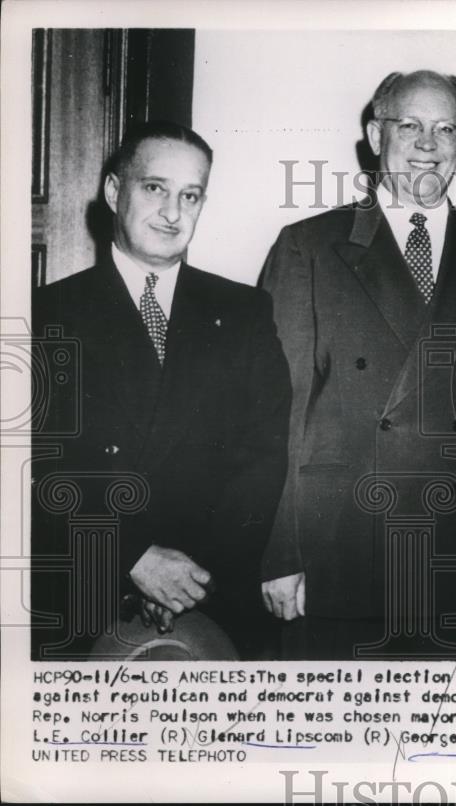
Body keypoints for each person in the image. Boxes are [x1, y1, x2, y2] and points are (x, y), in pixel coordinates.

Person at [259, 70, 456, 660]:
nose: (427, 144)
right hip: (339, 548)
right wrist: (279, 553)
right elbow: (275, 413)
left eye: (446, 129)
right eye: (409, 125)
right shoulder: (308, 246)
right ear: (375, 135)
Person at [31, 120, 291, 660]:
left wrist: (190, 579)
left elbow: (263, 457)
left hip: (210, 598)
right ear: (113, 191)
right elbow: (33, 466)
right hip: (84, 593)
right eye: (155, 188)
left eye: (190, 195)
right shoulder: (44, 315)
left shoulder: (244, 312)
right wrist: (132, 559)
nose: (173, 212)